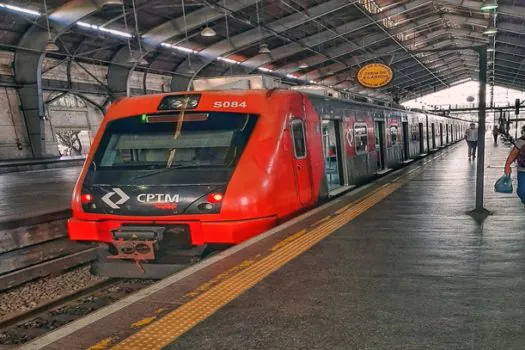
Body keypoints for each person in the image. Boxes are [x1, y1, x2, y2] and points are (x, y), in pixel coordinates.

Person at [504, 125, 525, 204]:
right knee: (522, 191)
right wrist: (507, 165)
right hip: (523, 169)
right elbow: (513, 153)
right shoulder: (522, 141)